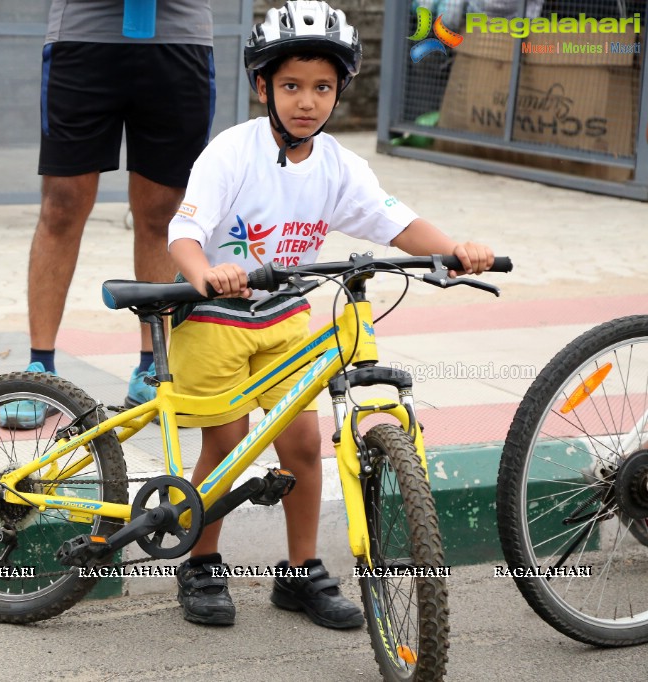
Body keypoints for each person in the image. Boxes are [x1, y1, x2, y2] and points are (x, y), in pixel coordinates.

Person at [167, 1, 494, 627]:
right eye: (291, 86)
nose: (306, 102)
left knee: (303, 446)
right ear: (263, 86)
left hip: (285, 318)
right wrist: (205, 272)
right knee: (228, 443)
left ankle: (300, 573)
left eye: (322, 87)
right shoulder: (230, 153)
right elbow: (184, 233)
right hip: (213, 317)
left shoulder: (338, 164)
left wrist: (454, 248)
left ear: (340, 90)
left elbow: (395, 222)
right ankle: (202, 561)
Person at [0, 0, 216, 429]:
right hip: (83, 35)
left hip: (178, 38)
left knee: (160, 212)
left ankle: (151, 368)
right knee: (62, 204)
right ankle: (40, 369)